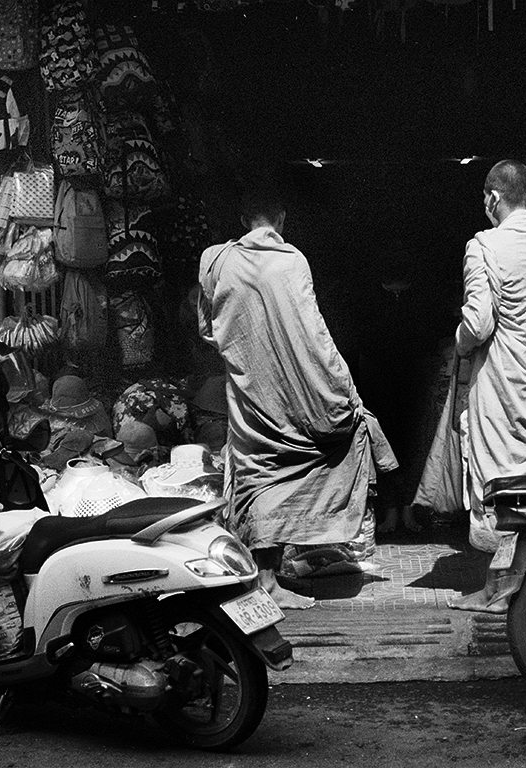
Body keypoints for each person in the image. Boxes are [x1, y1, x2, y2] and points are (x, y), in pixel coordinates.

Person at [197, 186, 396, 610]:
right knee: (319, 456)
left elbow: (208, 328)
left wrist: (250, 352)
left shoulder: (215, 261)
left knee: (258, 477)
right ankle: (280, 569)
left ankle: (264, 575)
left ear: (243, 219)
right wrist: (341, 385)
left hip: (250, 391)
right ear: (282, 219)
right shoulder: (291, 261)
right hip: (292, 392)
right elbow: (312, 332)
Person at [448, 160, 526, 613]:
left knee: (497, 485)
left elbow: (478, 324)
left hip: (499, 384)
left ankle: (498, 588)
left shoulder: (484, 247)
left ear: (492, 198)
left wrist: (458, 343)